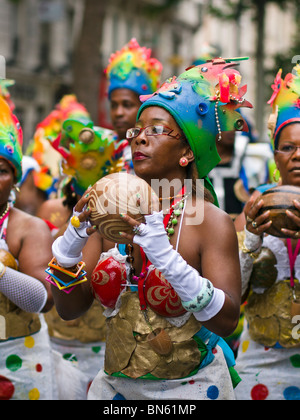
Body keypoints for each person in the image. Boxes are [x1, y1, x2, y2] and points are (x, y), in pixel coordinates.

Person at [49, 58, 253, 400]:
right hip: (114, 393)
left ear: (187, 150)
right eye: (137, 130)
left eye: (155, 130)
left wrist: (165, 258)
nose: (140, 138)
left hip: (192, 392)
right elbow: (70, 310)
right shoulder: (110, 211)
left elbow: (227, 320)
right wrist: (69, 247)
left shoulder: (210, 221)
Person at [36, 111, 126, 399]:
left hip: (104, 348)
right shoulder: (49, 210)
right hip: (53, 344)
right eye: (82, 165)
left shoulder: (118, 221)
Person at [235, 65, 300, 400]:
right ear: (274, 153)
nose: (298, 156)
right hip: (256, 364)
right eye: (287, 147)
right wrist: (251, 236)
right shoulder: (256, 207)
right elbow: (230, 295)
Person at [0, 96, 57, 400]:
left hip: (18, 359)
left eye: (0, 171)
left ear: (15, 180)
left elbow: (44, 299)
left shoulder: (29, 228)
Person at [105, 38, 163, 172]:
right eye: (114, 105)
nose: (118, 113)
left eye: (127, 105)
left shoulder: (160, 151)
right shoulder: (99, 148)